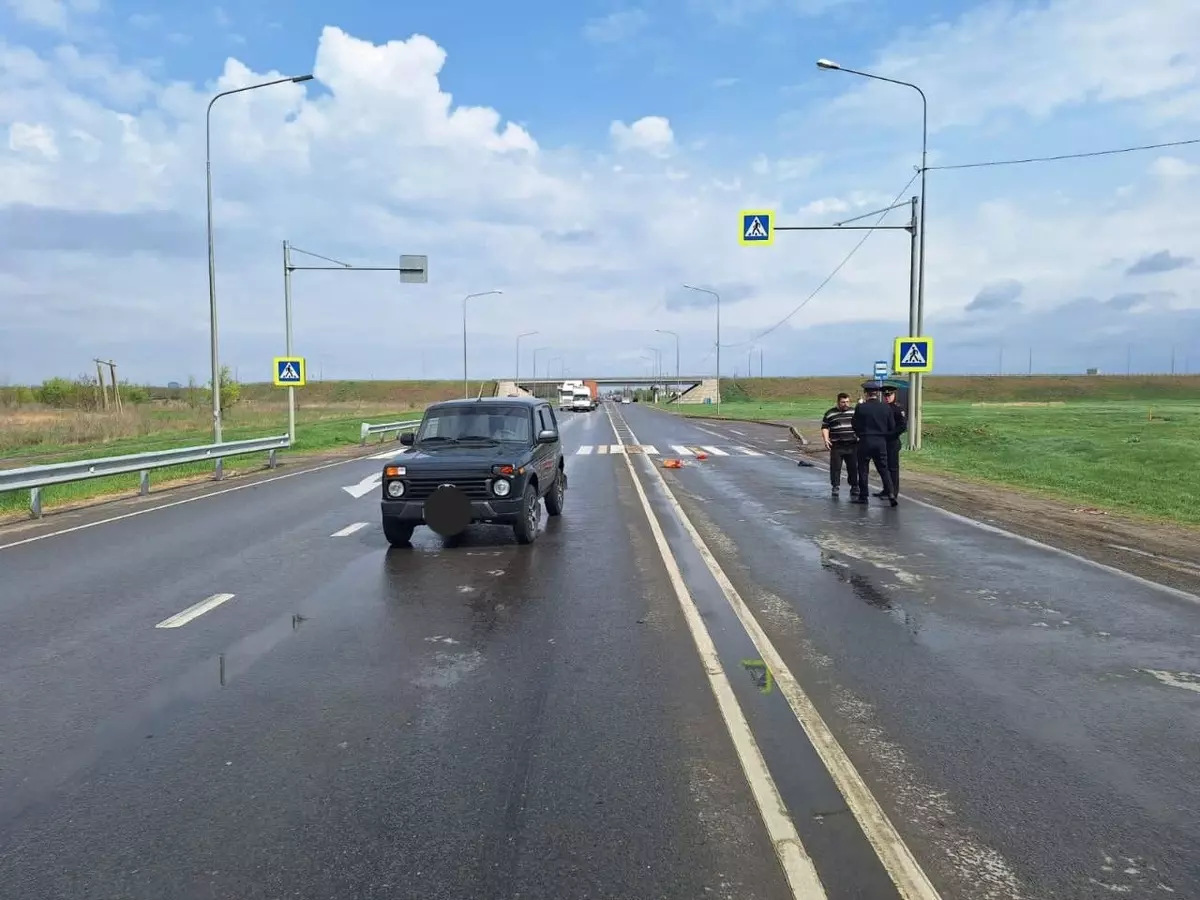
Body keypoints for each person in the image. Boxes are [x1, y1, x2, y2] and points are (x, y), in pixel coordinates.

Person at [851, 382, 898, 506]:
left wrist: (861, 433)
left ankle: (863, 496)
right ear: (877, 393)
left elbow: (854, 425)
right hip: (881, 441)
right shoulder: (886, 407)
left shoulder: (861, 407)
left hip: (865, 440)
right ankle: (891, 494)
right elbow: (892, 426)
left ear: (866, 393)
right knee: (884, 469)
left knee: (863, 469)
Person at [819, 392, 860, 497]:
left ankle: (854, 486)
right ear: (838, 402)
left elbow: (861, 425)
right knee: (835, 467)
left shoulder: (854, 412)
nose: (845, 404)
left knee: (853, 467)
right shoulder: (830, 413)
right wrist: (826, 439)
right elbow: (825, 427)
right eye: (843, 402)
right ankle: (835, 486)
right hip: (837, 445)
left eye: (847, 402)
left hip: (852, 444)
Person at [876, 385, 908, 498]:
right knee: (883, 466)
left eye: (889, 395)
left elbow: (903, 426)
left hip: (892, 442)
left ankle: (893, 492)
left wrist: (890, 434)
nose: (887, 397)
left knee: (892, 468)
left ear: (894, 395)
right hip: (882, 442)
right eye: (885, 395)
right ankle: (886, 489)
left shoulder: (898, 408)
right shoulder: (882, 407)